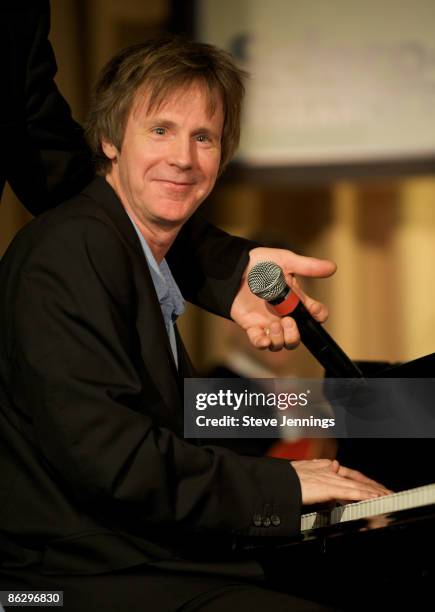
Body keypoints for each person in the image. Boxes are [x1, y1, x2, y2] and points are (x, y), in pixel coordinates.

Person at [0, 37, 389, 611]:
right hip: (60, 583)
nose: (183, 157)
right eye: (159, 130)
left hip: (141, 557)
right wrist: (287, 483)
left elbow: (173, 434)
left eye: (203, 138)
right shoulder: (71, 253)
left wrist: (309, 455)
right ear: (108, 140)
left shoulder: (129, 255)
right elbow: (115, 460)